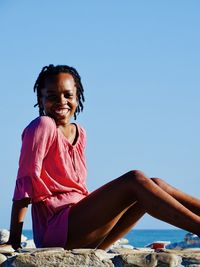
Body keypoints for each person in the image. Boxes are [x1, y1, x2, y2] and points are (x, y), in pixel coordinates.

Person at [1, 64, 200, 251]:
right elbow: (25, 182)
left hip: (86, 228)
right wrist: (15, 240)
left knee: (155, 184)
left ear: (77, 97)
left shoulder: (80, 133)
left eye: (68, 95)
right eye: (52, 96)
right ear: (41, 99)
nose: (61, 101)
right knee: (134, 179)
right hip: (57, 230)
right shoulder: (42, 125)